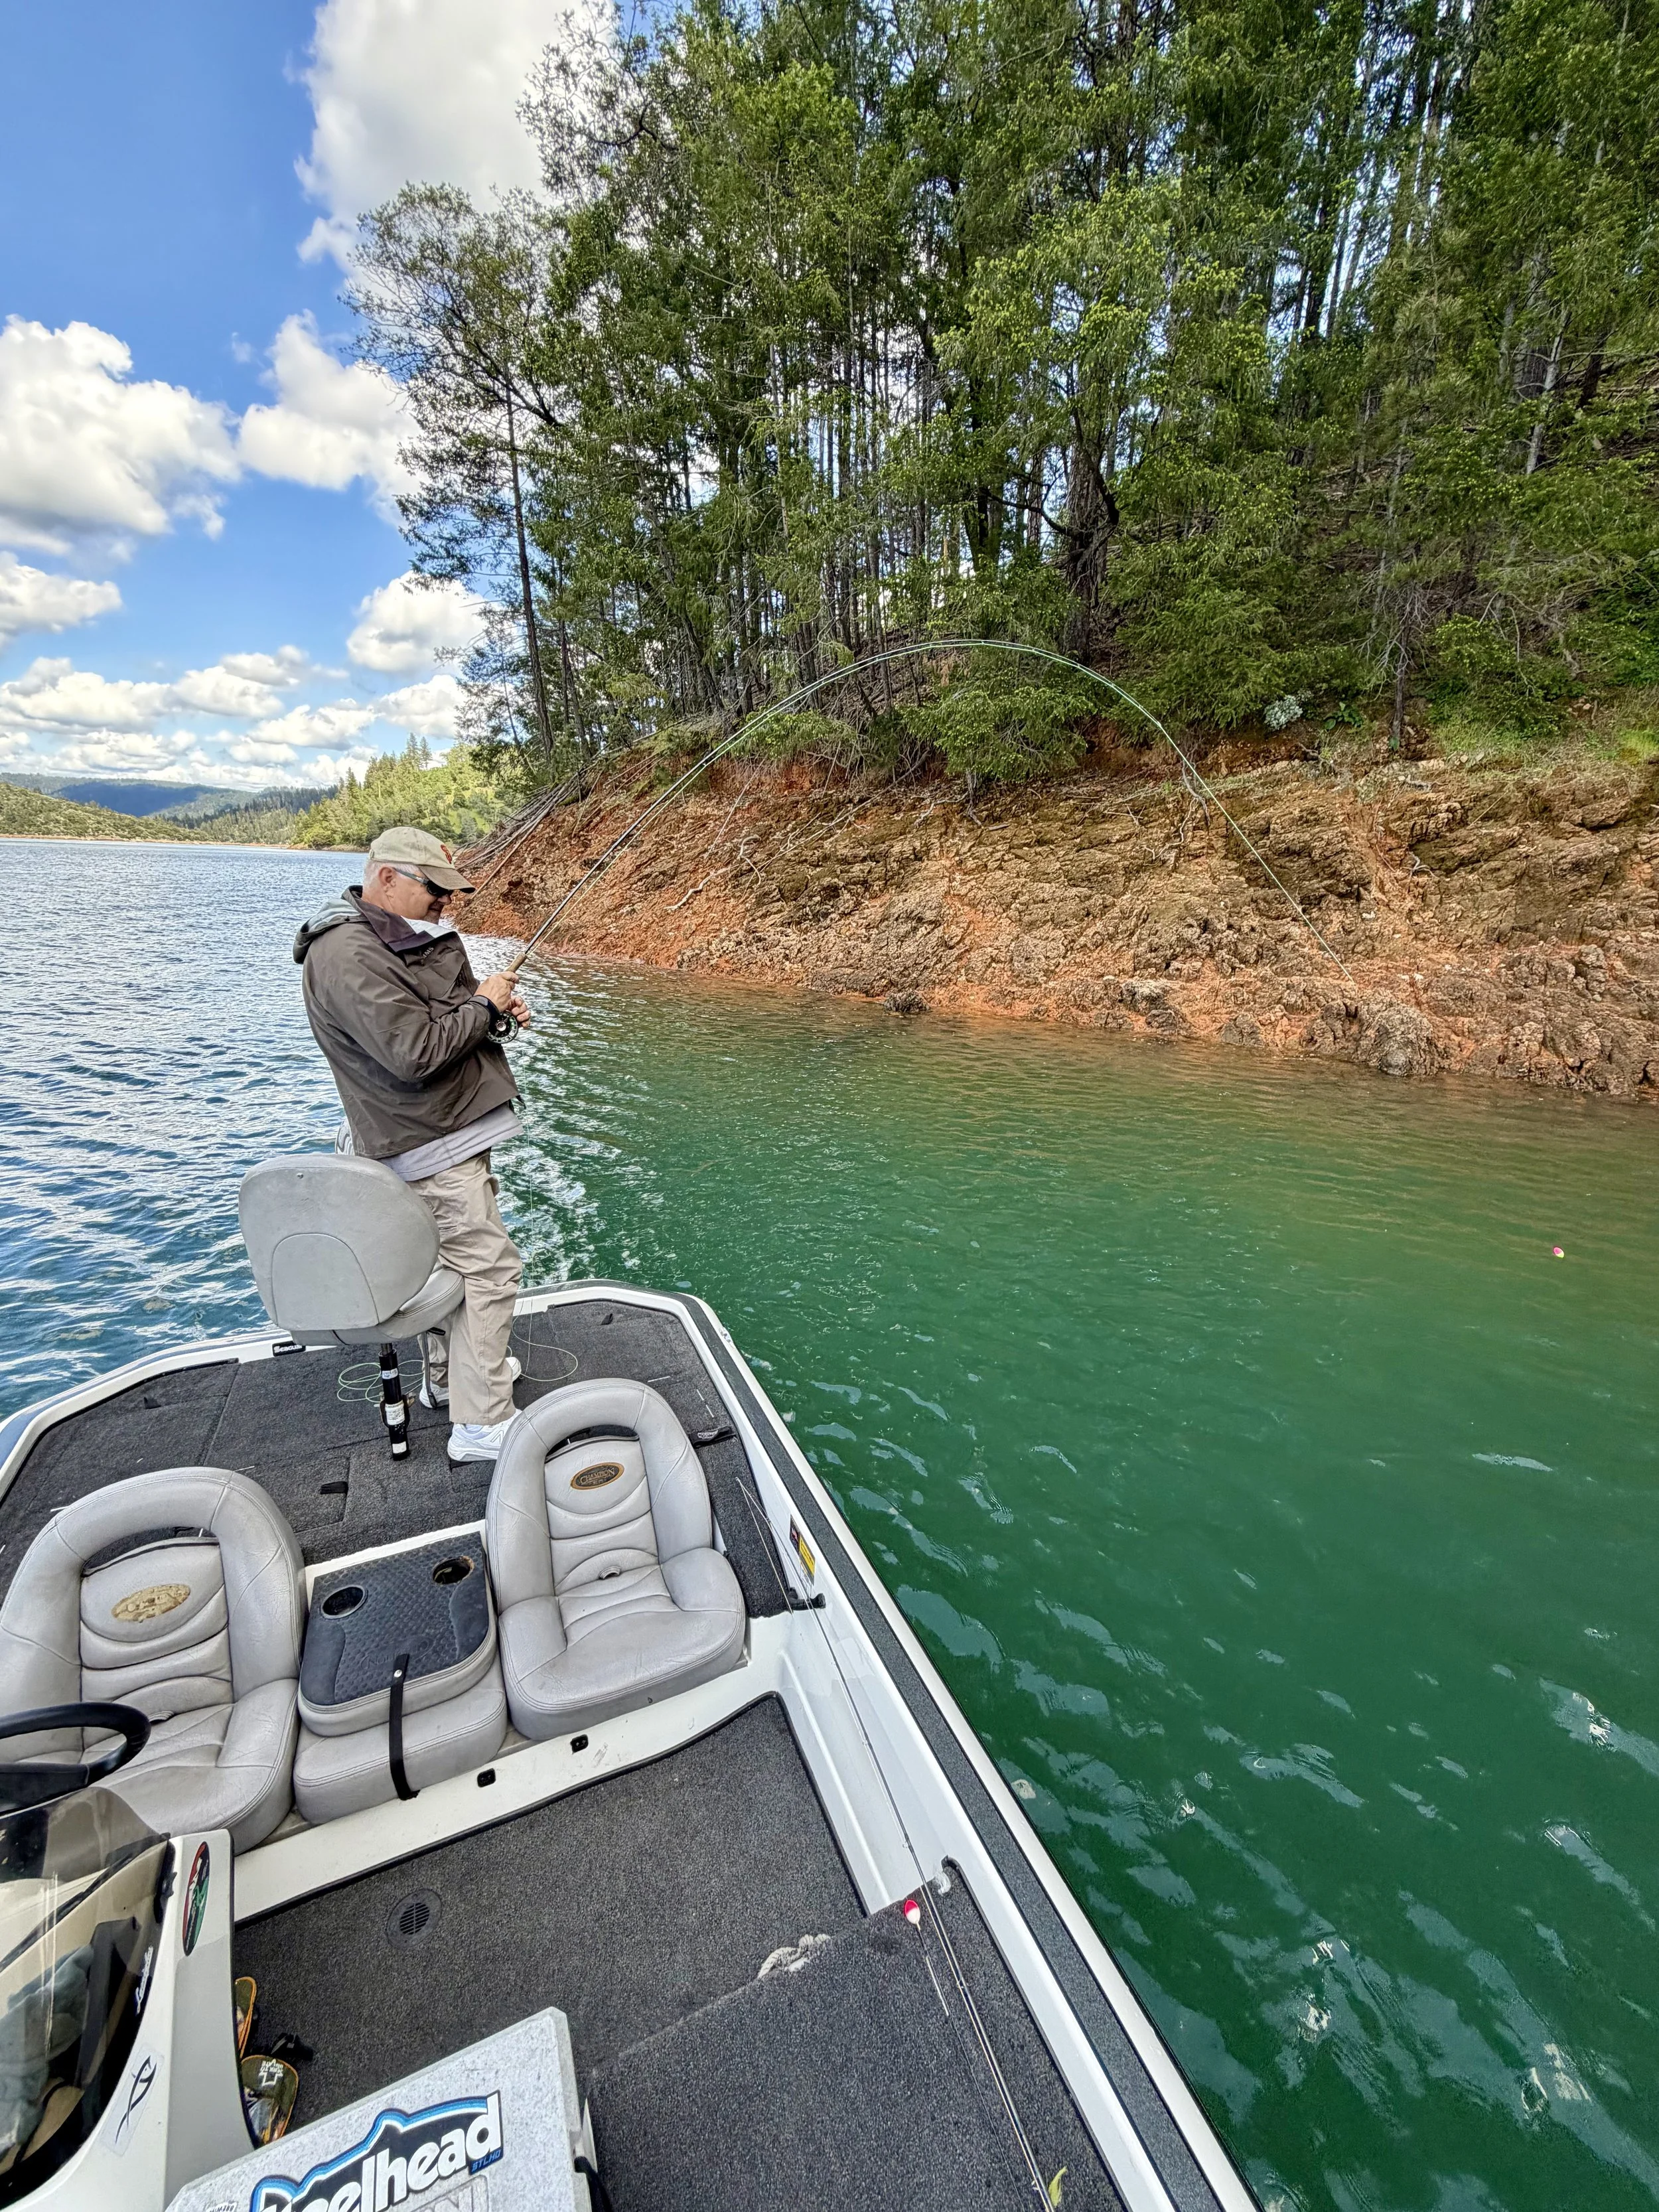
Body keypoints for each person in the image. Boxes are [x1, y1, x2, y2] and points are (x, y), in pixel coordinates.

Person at [293, 826, 532, 1464]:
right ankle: (482, 1424)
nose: (444, 903)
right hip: (430, 1145)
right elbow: (413, 1052)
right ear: (388, 876)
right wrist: (483, 1007)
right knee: (489, 1267)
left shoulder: (373, 938)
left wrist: (493, 1012)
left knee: (453, 1269)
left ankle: (451, 1382)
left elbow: (427, 1018)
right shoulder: (346, 952)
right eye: (435, 888)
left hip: (431, 1136)